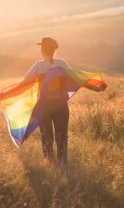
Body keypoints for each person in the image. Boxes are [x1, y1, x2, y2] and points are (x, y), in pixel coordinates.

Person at [21, 37, 71, 166]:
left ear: (42, 51)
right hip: (61, 105)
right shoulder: (62, 63)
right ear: (54, 51)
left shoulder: (38, 65)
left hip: (44, 106)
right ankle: (62, 164)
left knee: (46, 136)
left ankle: (49, 163)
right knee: (62, 136)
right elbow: (73, 78)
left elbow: (25, 81)